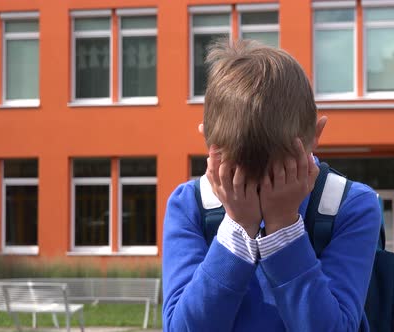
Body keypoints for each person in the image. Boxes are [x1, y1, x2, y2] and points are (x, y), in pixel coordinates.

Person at [162, 39, 381, 332]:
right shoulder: (190, 205)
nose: (263, 191)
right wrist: (237, 229)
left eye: (280, 172)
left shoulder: (350, 206)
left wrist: (283, 228)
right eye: (242, 174)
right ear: (317, 132)